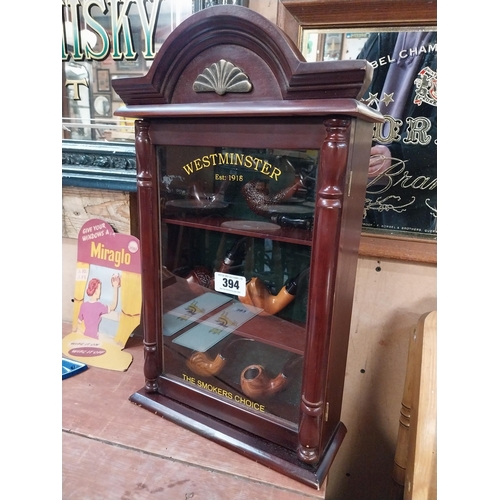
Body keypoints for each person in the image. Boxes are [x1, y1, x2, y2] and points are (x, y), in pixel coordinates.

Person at [358, 31, 437, 235]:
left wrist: (398, 154)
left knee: (402, 258)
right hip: (359, 181)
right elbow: (351, 88)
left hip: (415, 191)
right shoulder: (384, 29)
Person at [76, 274, 121, 339]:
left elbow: (78, 324)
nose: (100, 292)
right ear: (96, 290)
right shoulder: (99, 306)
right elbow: (113, 306)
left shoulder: (84, 305)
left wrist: (84, 333)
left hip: (85, 337)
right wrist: (115, 288)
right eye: (100, 289)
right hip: (94, 338)